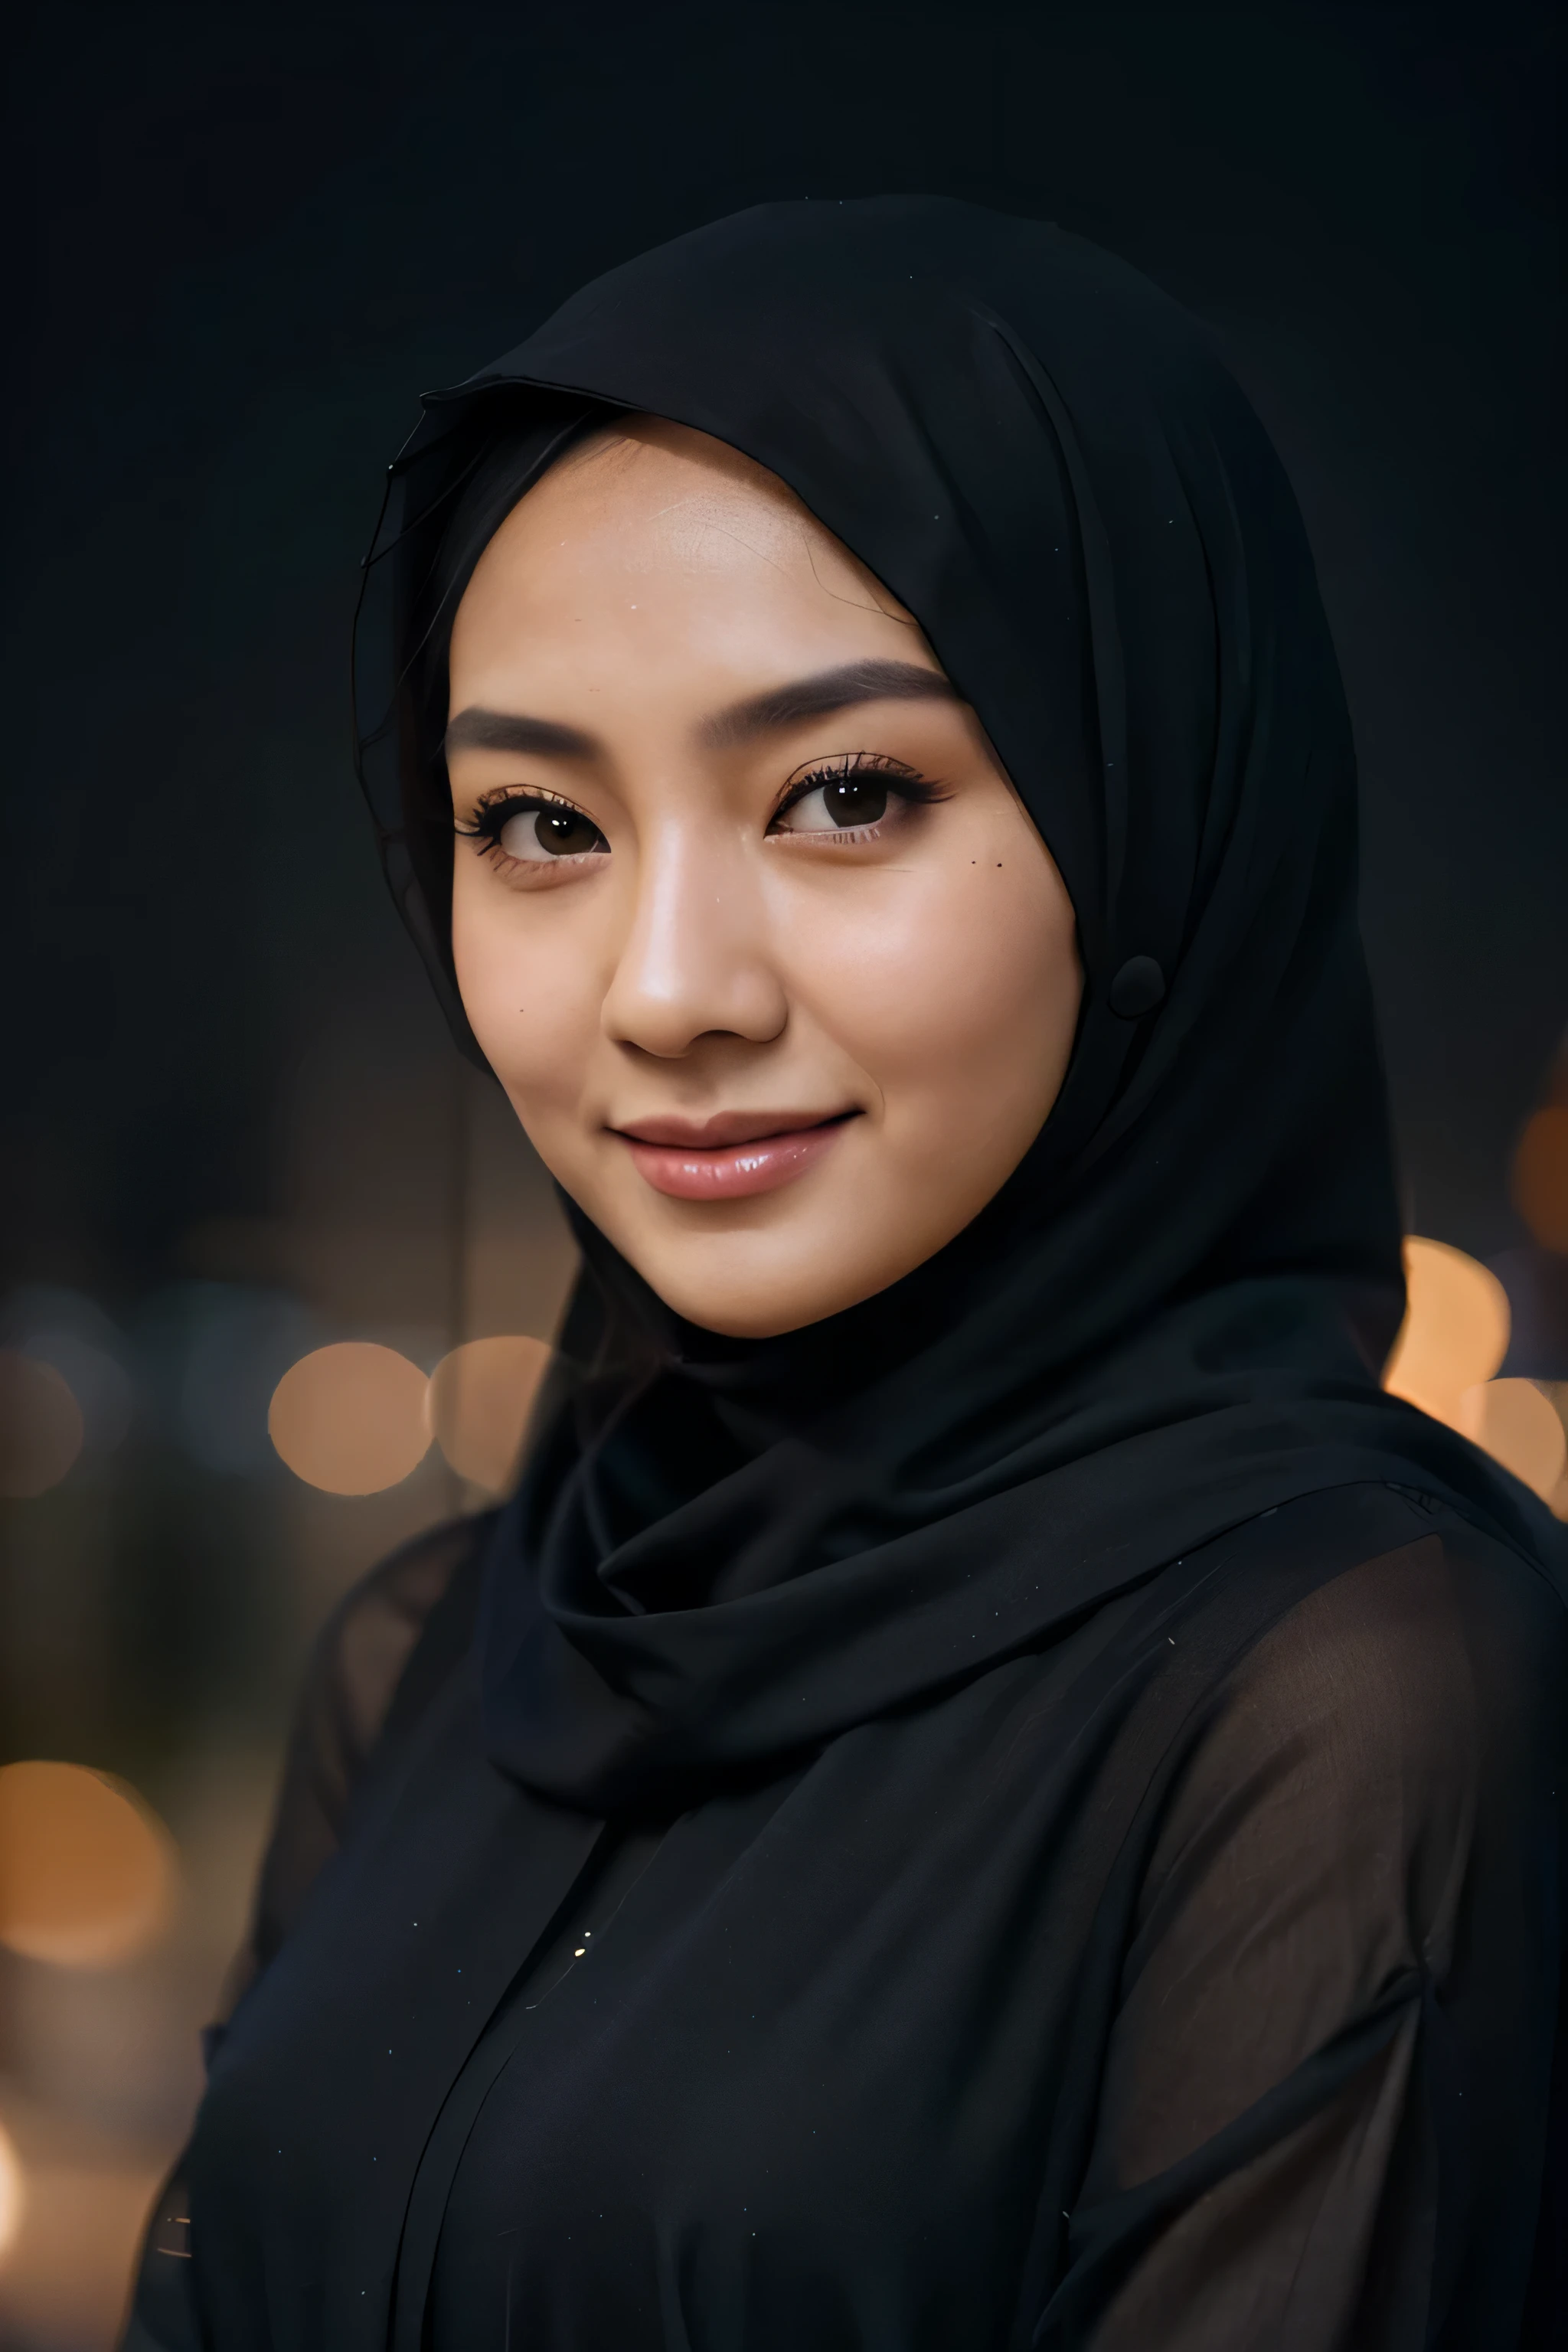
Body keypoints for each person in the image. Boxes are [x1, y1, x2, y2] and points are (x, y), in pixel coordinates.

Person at [125, 198, 1565, 2351]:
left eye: (845, 792)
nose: (668, 989)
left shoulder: (1348, 1697)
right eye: (538, 823)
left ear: (1153, 806)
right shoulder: (440, 1657)